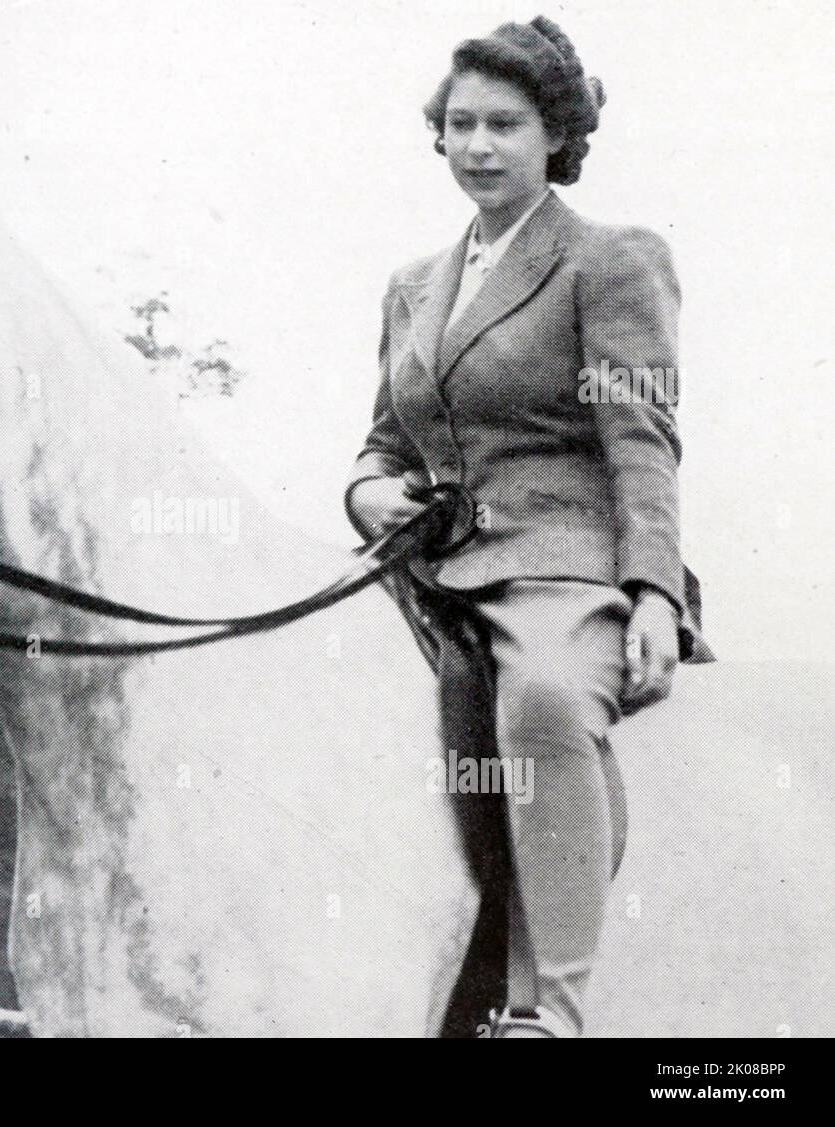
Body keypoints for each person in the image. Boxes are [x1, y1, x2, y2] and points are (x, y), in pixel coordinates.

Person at [345, 15, 710, 1038]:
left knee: (543, 696)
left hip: (563, 562)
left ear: (555, 134)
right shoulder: (413, 284)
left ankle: (547, 1010)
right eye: (458, 124)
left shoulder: (609, 260)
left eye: (503, 124)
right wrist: (366, 493)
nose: (476, 146)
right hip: (423, 564)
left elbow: (641, 441)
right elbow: (385, 443)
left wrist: (649, 592)